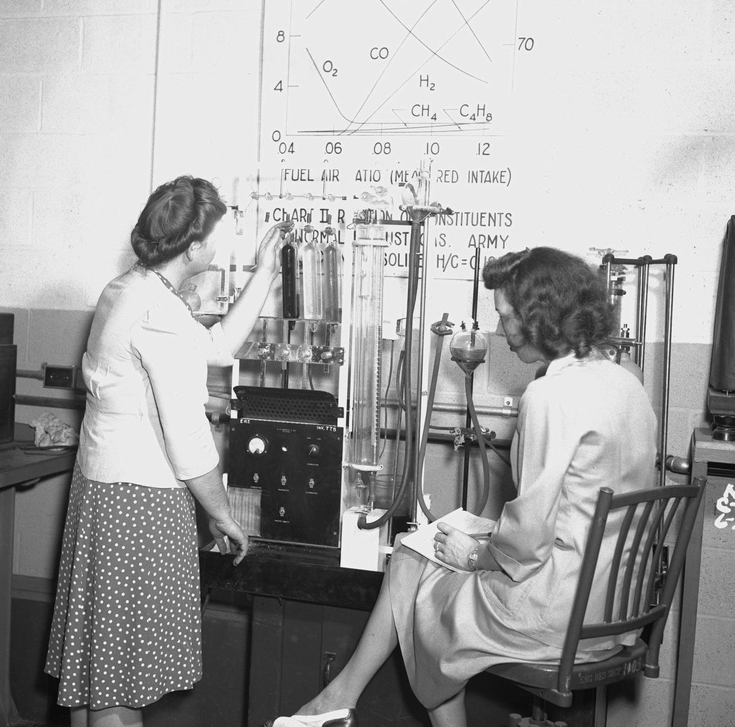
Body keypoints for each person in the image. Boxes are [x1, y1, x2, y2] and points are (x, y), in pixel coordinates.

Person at [270, 247, 656, 727]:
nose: (499, 332)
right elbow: (572, 511)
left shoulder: (551, 394)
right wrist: (483, 541)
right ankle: (335, 701)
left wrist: (473, 555)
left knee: (422, 598)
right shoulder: (628, 382)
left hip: (559, 615)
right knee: (415, 549)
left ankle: (335, 703)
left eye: (507, 317)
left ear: (541, 319)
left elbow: (528, 540)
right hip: (614, 608)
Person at [45, 175, 283, 727]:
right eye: (216, 236)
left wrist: (265, 272)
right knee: (121, 695)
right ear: (193, 247)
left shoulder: (129, 289)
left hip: (104, 493)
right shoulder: (161, 314)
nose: (221, 244)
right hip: (140, 506)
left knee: (96, 680)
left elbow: (217, 347)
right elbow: (188, 437)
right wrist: (221, 513)